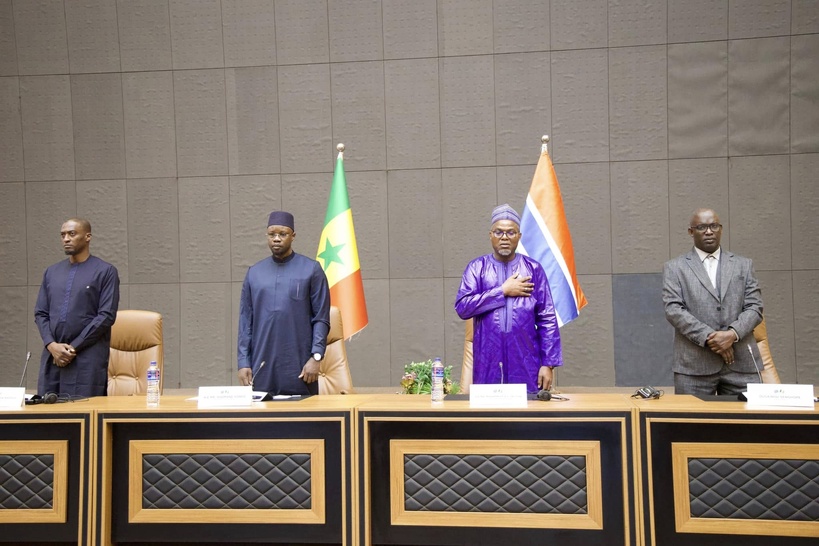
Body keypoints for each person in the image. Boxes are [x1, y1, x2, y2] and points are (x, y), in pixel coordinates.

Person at [455, 204, 562, 393]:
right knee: (488, 419)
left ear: (519, 237)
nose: (504, 238)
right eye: (499, 232)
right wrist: (502, 290)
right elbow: (463, 307)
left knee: (526, 419)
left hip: (526, 363)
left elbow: (547, 318)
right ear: (490, 235)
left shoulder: (533, 269)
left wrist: (549, 363)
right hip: (487, 363)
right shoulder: (476, 268)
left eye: (511, 233)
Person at [663, 208, 764, 395]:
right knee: (692, 424)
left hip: (741, 365)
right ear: (691, 232)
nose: (709, 231)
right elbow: (673, 310)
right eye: (701, 227)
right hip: (694, 367)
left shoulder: (744, 265)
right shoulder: (675, 268)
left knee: (749, 424)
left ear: (721, 229)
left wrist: (732, 334)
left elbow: (755, 307)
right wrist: (713, 338)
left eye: (713, 226)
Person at [238, 211, 331, 396]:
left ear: (293, 236)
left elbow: (321, 318)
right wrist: (243, 362)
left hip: (301, 367)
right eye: (272, 234)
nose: (277, 239)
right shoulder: (254, 273)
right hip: (261, 366)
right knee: (263, 422)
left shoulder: (311, 269)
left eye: (283, 234)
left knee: (303, 422)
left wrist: (316, 357)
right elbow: (245, 323)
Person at [34, 218, 120, 397]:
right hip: (53, 357)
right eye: (63, 235)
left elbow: (106, 316)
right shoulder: (51, 272)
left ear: (87, 236)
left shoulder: (105, 271)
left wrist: (72, 348)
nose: (66, 239)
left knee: (86, 417)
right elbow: (41, 313)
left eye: (72, 234)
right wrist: (51, 345)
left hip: (87, 358)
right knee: (48, 417)